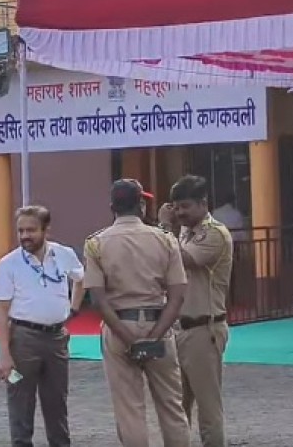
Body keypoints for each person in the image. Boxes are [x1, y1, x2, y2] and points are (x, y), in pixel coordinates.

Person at [84, 179, 190, 447]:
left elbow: (98, 300)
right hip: (159, 324)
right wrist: (155, 336)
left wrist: (129, 339)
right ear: (141, 205)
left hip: (119, 326)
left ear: (112, 207)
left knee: (129, 410)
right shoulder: (165, 240)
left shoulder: (96, 243)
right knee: (172, 407)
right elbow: (177, 296)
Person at [0, 206, 84, 447]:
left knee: (57, 402)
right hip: (23, 340)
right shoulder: (8, 264)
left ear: (46, 230)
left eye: (31, 230)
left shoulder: (63, 254)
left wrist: (73, 309)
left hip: (57, 339)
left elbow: (81, 279)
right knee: (20, 402)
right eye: (20, 230)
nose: (25, 236)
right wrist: (4, 354)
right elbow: (0, 311)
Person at [164, 175, 234, 447]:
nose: (180, 213)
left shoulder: (214, 233)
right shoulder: (184, 231)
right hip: (179, 329)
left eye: (185, 206)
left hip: (204, 329)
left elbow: (184, 259)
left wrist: (164, 227)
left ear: (203, 203)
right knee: (176, 408)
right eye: (176, 207)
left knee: (208, 408)